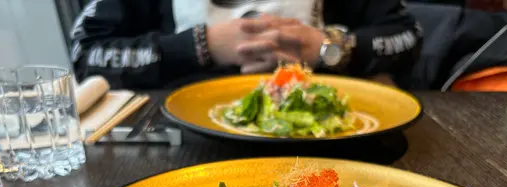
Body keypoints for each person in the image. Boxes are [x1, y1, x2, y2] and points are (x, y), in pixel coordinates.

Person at [70, 0, 422, 89]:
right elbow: (86, 53)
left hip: (327, 131)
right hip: (184, 141)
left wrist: (330, 48)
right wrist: (201, 46)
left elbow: (408, 37)